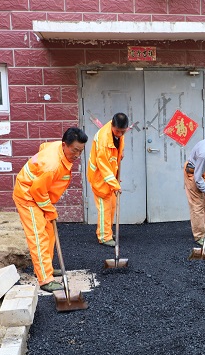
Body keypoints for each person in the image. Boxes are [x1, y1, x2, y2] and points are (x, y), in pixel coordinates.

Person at [12, 127, 87, 293]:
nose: (77, 155)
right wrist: (50, 210)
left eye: (80, 151)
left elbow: (43, 147)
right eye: (75, 150)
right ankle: (45, 278)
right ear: (64, 145)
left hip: (40, 194)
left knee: (49, 231)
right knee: (38, 235)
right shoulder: (51, 165)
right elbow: (37, 191)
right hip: (28, 196)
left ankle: (47, 268)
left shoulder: (58, 149)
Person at [87, 112, 130, 246]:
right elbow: (104, 166)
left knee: (111, 206)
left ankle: (108, 231)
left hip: (110, 177)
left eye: (123, 132)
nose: (120, 134)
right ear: (112, 125)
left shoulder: (118, 133)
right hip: (99, 178)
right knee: (104, 208)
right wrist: (115, 185)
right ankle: (104, 236)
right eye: (117, 131)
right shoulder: (103, 141)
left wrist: (121, 152)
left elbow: (117, 148)